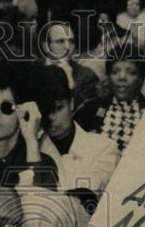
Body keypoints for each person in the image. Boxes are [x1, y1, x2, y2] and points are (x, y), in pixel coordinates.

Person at [0, 60, 59, 189]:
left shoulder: (42, 163)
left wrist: (31, 141)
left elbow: (41, 205)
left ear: (23, 114)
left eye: (6, 107)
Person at [36, 64, 120, 209]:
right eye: (45, 110)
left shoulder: (103, 146)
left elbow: (95, 183)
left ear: (72, 103)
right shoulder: (34, 149)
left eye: (58, 108)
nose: (52, 117)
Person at [74, 57, 145, 152]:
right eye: (115, 72)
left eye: (131, 72)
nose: (122, 77)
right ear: (108, 77)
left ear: (140, 79)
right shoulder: (90, 109)